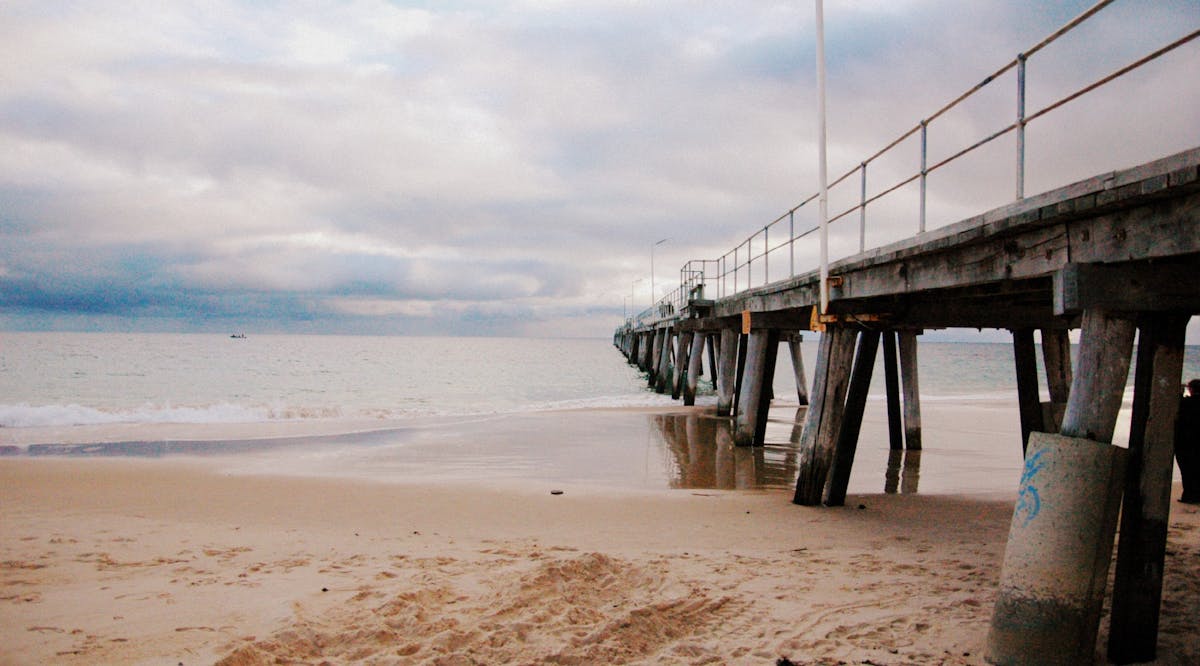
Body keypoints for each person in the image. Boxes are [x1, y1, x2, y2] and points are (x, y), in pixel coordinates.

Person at [1177, 379, 1200, 504]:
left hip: (1186, 442)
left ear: (1191, 390)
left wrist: (1179, 391)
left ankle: (1189, 495)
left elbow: (1177, 405)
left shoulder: (1187, 403)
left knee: (1187, 470)